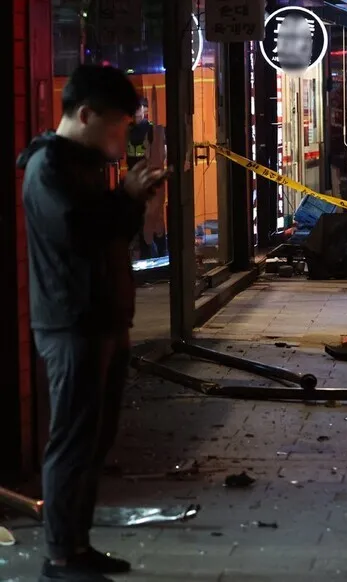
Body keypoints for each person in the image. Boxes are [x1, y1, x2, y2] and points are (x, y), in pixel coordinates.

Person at [16, 64, 169, 582]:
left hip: (102, 317)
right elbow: (76, 234)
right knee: (73, 439)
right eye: (118, 123)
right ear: (85, 115)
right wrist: (126, 198)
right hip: (70, 321)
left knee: (96, 439)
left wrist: (131, 199)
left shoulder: (80, 164)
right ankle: (60, 555)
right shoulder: (47, 168)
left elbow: (106, 231)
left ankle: (76, 546)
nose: (123, 134)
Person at [126, 98, 156, 259]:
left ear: (144, 110)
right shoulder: (127, 130)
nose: (137, 114)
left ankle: (152, 255)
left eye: (139, 110)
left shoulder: (149, 129)